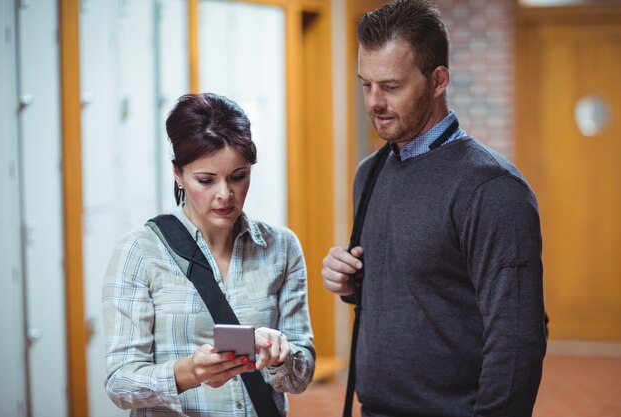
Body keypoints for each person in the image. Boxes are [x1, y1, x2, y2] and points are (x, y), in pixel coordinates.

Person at [321, 1, 547, 416]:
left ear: (438, 79)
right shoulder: (369, 173)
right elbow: (423, 290)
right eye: (365, 84)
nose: (373, 102)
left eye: (391, 86)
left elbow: (517, 341)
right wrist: (354, 285)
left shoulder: (492, 189)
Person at [103, 93, 315, 416]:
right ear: (178, 173)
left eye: (238, 177)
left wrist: (280, 358)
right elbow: (119, 382)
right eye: (206, 180)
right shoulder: (139, 254)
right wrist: (189, 372)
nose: (225, 195)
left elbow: (301, 377)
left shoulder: (281, 247)